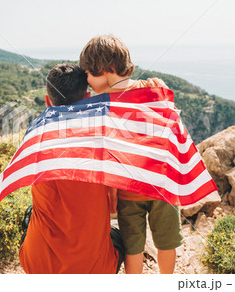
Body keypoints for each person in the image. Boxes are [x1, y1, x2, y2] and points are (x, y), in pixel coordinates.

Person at [79, 35, 184, 274]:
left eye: (88, 73)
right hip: (162, 182)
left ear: (104, 69)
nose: (86, 80)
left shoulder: (102, 105)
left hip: (129, 189)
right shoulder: (151, 89)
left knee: (132, 246)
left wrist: (111, 191)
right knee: (166, 241)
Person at [18, 63, 123, 274]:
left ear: (48, 101)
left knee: (29, 216)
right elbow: (113, 208)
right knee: (120, 238)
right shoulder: (103, 141)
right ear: (87, 98)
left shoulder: (35, 138)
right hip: (94, 268)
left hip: (38, 265)